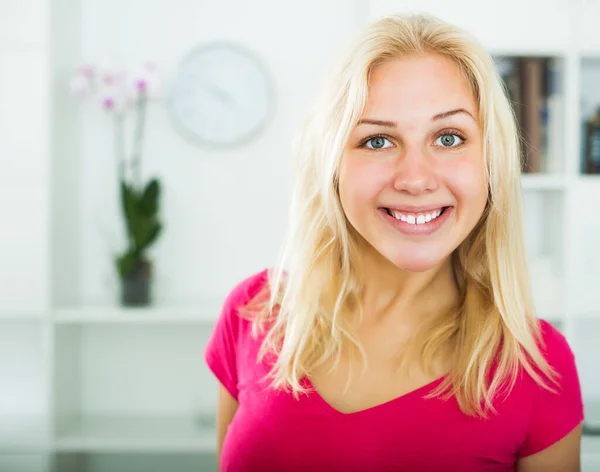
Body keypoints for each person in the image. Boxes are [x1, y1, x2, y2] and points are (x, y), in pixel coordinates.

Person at [204, 12, 585, 472]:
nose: (415, 178)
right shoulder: (253, 311)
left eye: (448, 137)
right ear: (332, 164)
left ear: (491, 164)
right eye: (378, 140)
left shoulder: (536, 365)